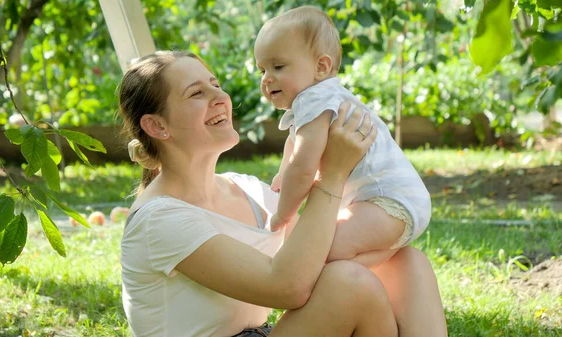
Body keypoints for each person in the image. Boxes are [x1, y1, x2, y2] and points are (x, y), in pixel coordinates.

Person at [118, 50, 447, 337]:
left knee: (405, 263)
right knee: (348, 284)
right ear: (158, 126)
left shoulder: (246, 189)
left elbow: (314, 254)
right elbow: (288, 287)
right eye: (196, 93)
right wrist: (332, 173)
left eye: (215, 85)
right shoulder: (159, 219)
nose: (219, 97)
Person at [254, 6, 432, 268]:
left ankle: (381, 258)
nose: (268, 79)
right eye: (262, 70)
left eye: (278, 66)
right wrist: (282, 174)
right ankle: (384, 256)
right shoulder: (318, 101)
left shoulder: (313, 99)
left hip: (386, 202)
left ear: (321, 67)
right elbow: (293, 145)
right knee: (327, 250)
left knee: (317, 248)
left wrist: (283, 212)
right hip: (394, 200)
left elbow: (303, 166)